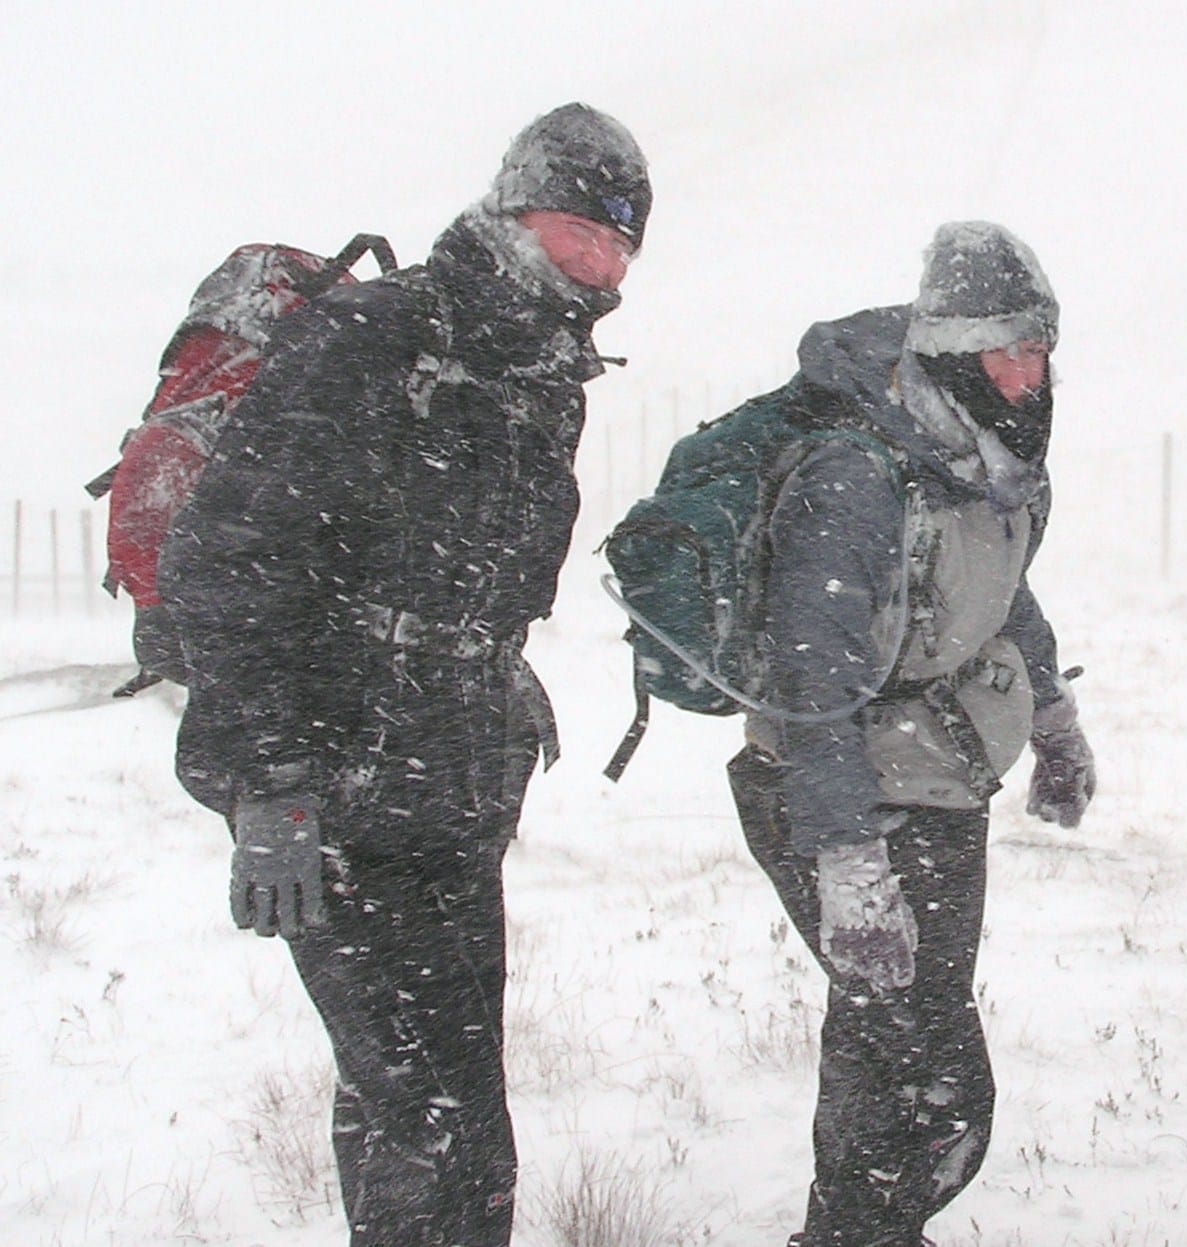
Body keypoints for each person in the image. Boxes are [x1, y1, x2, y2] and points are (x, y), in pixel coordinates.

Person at [160, 103, 650, 1247]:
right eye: (577, 230)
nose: (598, 263)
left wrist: (487, 663)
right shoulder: (375, 337)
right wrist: (271, 777)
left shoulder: (543, 373)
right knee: (428, 1104)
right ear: (514, 209)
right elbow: (224, 561)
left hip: (449, 781)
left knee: (446, 1091)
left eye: (620, 246)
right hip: (328, 776)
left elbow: (469, 562)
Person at [726, 221, 1097, 1247]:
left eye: (1038, 348)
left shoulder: (987, 459)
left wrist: (1056, 719)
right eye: (1004, 349)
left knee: (911, 1052)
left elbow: (1004, 595)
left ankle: (865, 1228)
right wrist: (845, 855)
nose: (1026, 372)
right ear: (949, 350)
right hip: (829, 785)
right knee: (915, 1063)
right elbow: (811, 679)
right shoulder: (860, 477)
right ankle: (855, 1230)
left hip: (936, 779)